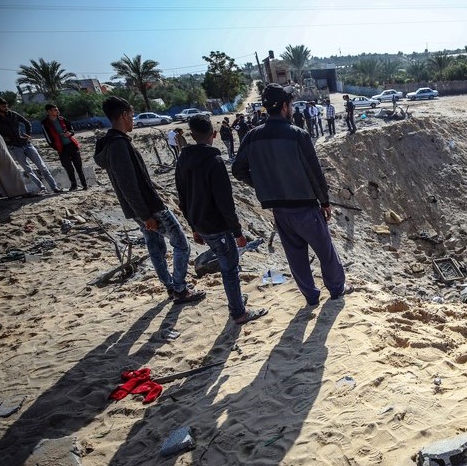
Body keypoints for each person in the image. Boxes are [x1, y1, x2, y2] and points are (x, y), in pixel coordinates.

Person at [232, 84, 351, 306]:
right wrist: (324, 201)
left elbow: (238, 170)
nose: (293, 108)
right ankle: (336, 289)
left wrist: (262, 184)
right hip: (305, 207)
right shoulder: (298, 135)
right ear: (285, 106)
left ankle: (310, 297)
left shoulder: (252, 136)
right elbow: (314, 173)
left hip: (279, 210)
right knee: (325, 251)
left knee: (296, 257)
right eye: (292, 104)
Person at [95, 96, 205, 304]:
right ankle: (180, 289)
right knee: (181, 245)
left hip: (139, 208)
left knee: (155, 245)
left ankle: (171, 286)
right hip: (148, 207)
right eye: (131, 115)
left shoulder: (111, 143)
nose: (133, 119)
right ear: (123, 115)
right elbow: (127, 183)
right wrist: (146, 215)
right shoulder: (118, 145)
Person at [175, 115, 268, 325]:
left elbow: (182, 197)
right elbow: (225, 202)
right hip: (217, 225)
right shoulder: (214, 162)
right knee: (230, 269)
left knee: (228, 267)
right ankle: (239, 312)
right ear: (214, 135)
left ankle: (236, 302)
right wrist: (237, 232)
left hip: (200, 224)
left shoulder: (183, 160)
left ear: (191, 135)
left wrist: (193, 226)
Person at [0, 96, 62, 193]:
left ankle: (54, 187)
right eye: (3, 106)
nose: (6, 108)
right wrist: (3, 137)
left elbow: (27, 123)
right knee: (28, 169)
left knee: (42, 166)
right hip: (14, 147)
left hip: (26, 144)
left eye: (6, 106)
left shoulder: (13, 114)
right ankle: (42, 188)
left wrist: (28, 134)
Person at [41, 103, 87, 191]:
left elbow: (71, 129)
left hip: (72, 145)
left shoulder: (62, 119)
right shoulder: (45, 124)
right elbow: (48, 138)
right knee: (68, 167)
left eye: (57, 109)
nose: (57, 111)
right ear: (49, 111)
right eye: (55, 110)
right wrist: (56, 147)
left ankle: (84, 184)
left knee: (78, 166)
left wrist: (70, 133)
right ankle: (74, 185)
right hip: (61, 148)